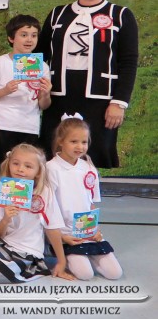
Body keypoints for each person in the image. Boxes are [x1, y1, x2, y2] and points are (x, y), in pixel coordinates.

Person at [37, 0, 139, 169]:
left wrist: (119, 102)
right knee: (52, 156)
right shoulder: (57, 14)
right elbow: (41, 55)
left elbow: (129, 62)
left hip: (99, 99)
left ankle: (87, 192)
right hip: (58, 98)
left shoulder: (121, 15)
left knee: (91, 156)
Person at [0, 144, 74, 283]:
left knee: (1, 271)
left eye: (28, 166)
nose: (20, 169)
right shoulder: (1, 191)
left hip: (27, 252)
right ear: (9, 164)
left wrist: (61, 261)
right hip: (0, 243)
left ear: (38, 172)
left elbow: (52, 227)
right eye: (16, 163)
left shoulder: (44, 192)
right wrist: (6, 219)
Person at [0, 15, 51, 215]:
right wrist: (5, 90)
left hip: (28, 126)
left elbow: (44, 105)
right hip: (1, 125)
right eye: (24, 35)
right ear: (11, 38)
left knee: (24, 174)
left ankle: (18, 216)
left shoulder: (42, 67)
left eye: (34, 35)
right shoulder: (0, 63)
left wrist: (45, 93)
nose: (29, 39)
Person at [47, 117, 123, 280]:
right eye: (73, 141)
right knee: (85, 274)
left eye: (84, 142)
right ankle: (66, 256)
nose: (80, 147)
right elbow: (48, 209)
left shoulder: (88, 168)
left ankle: (88, 255)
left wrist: (94, 230)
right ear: (60, 141)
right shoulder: (51, 168)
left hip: (86, 232)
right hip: (65, 234)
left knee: (115, 273)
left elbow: (91, 204)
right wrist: (62, 236)